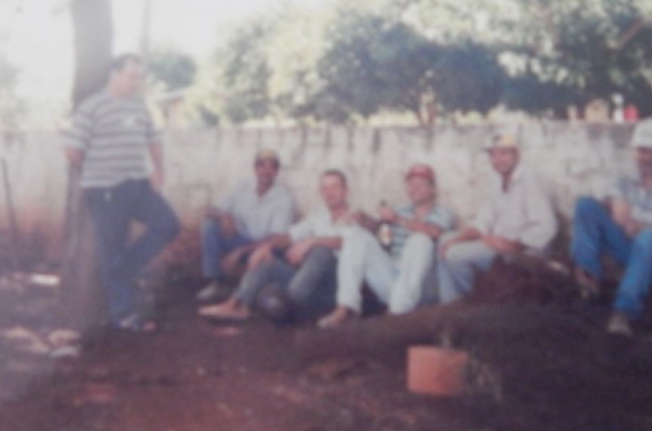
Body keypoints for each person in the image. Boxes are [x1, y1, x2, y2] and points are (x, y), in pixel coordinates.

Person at [64, 53, 180, 332]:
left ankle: (126, 268)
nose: (137, 82)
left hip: (136, 184)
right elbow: (73, 150)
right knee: (111, 250)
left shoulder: (140, 106)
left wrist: (157, 170)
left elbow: (153, 139)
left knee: (168, 224)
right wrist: (98, 173)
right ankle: (123, 315)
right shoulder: (92, 107)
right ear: (114, 74)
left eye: (140, 77)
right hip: (105, 190)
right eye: (132, 76)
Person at [571, 118, 652, 337]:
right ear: (634, 152)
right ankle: (589, 279)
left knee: (651, 236)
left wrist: (644, 226)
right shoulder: (625, 180)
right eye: (642, 151)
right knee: (585, 205)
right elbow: (613, 209)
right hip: (634, 249)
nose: (647, 157)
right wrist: (611, 203)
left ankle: (623, 310)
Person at [199, 169, 351, 323]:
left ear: (345, 190)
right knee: (265, 259)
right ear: (320, 192)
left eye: (335, 187)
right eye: (325, 188)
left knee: (322, 252)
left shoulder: (356, 217)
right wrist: (266, 247)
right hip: (306, 286)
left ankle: (290, 305)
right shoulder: (318, 215)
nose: (330, 192)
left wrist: (312, 241)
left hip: (332, 290)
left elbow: (347, 241)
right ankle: (237, 305)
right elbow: (288, 235)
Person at [317, 163, 453, 328]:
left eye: (420, 184)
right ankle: (346, 308)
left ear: (432, 189)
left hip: (422, 287)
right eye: (411, 184)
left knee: (420, 240)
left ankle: (395, 316)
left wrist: (397, 219)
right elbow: (380, 232)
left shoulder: (442, 212)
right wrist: (365, 221)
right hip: (393, 280)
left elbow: (435, 232)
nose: (414, 188)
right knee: (355, 235)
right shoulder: (401, 210)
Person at [437, 132, 557, 303]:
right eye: (493, 154)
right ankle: (450, 302)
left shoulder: (530, 178)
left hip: (523, 251)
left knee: (454, 255)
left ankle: (470, 303)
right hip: (497, 245)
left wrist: (513, 244)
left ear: (516, 154)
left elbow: (546, 226)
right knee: (444, 241)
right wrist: (457, 239)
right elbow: (484, 221)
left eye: (503, 153)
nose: (498, 159)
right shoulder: (496, 180)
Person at [195, 149, 295, 303]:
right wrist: (223, 216)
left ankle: (245, 295)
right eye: (261, 165)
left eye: (271, 167)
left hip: (263, 247)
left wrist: (241, 250)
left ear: (276, 171)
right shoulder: (242, 185)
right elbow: (210, 209)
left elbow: (276, 238)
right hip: (239, 239)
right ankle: (217, 283)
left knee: (268, 258)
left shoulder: (284, 198)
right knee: (210, 226)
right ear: (255, 168)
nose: (266, 171)